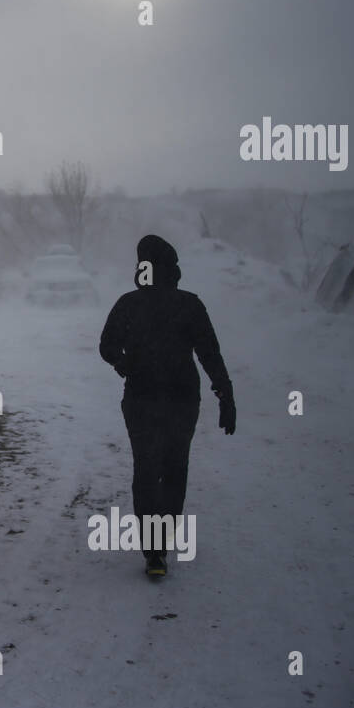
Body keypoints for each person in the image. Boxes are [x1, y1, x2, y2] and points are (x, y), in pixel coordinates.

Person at [99, 235, 235, 577]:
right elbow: (210, 354)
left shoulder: (128, 304)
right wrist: (226, 394)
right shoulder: (189, 305)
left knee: (146, 469)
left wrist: (124, 364)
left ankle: (153, 551)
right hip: (182, 398)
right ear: (173, 270)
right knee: (175, 469)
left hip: (141, 398)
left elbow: (106, 346)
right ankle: (162, 543)